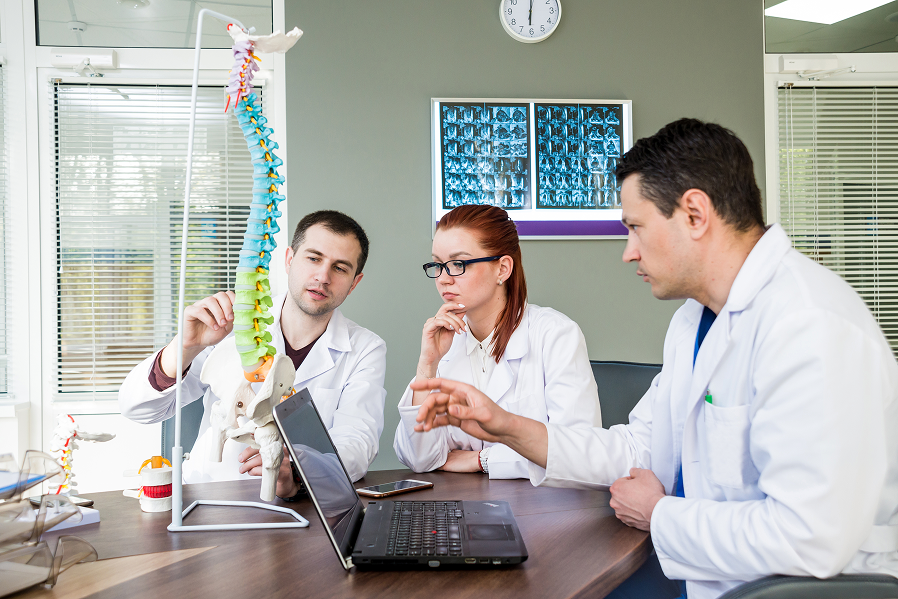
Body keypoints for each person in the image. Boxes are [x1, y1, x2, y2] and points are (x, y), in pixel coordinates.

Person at [410, 119, 898, 598]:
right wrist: (503, 425)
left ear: (694, 214)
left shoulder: (809, 324)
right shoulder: (694, 322)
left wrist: (660, 514)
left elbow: (812, 539)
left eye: (636, 227)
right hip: (706, 575)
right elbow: (635, 448)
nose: (628, 252)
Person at [120, 210, 386, 497]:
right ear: (289, 259)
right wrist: (185, 348)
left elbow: (357, 443)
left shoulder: (365, 348)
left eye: (340, 268)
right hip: (210, 500)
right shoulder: (233, 324)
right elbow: (138, 409)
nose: (323, 276)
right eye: (313, 258)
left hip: (300, 508)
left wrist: (295, 471)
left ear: (354, 282)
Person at [393, 204, 598, 479]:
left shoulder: (555, 334)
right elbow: (419, 459)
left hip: (542, 510)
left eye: (458, 264)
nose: (443, 279)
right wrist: (427, 367)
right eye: (438, 265)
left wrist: (483, 460)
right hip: (465, 504)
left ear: (502, 269)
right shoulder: (447, 343)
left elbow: (577, 452)